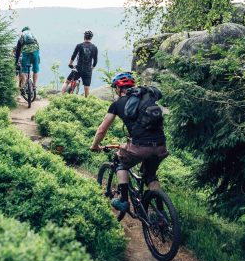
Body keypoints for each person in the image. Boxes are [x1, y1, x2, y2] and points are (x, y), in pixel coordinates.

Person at [90, 72, 168, 212]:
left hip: (140, 147)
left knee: (121, 163)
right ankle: (161, 215)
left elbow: (102, 129)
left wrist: (94, 145)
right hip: (161, 146)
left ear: (119, 89)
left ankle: (123, 201)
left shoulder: (117, 104)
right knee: (151, 176)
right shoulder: (146, 98)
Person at [63, 30, 98, 97]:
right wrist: (91, 69)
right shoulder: (94, 48)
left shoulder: (79, 45)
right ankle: (86, 103)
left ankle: (62, 97)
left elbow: (74, 56)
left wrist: (70, 64)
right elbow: (95, 61)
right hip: (87, 70)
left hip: (78, 68)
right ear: (91, 38)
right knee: (86, 87)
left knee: (67, 82)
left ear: (84, 37)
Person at [14, 26, 40, 95]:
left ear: (22, 32)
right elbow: (38, 47)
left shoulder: (21, 37)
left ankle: (24, 85)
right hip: (35, 51)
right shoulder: (33, 36)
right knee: (35, 70)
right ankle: (34, 86)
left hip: (26, 52)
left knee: (23, 70)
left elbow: (18, 51)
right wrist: (37, 59)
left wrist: (16, 61)